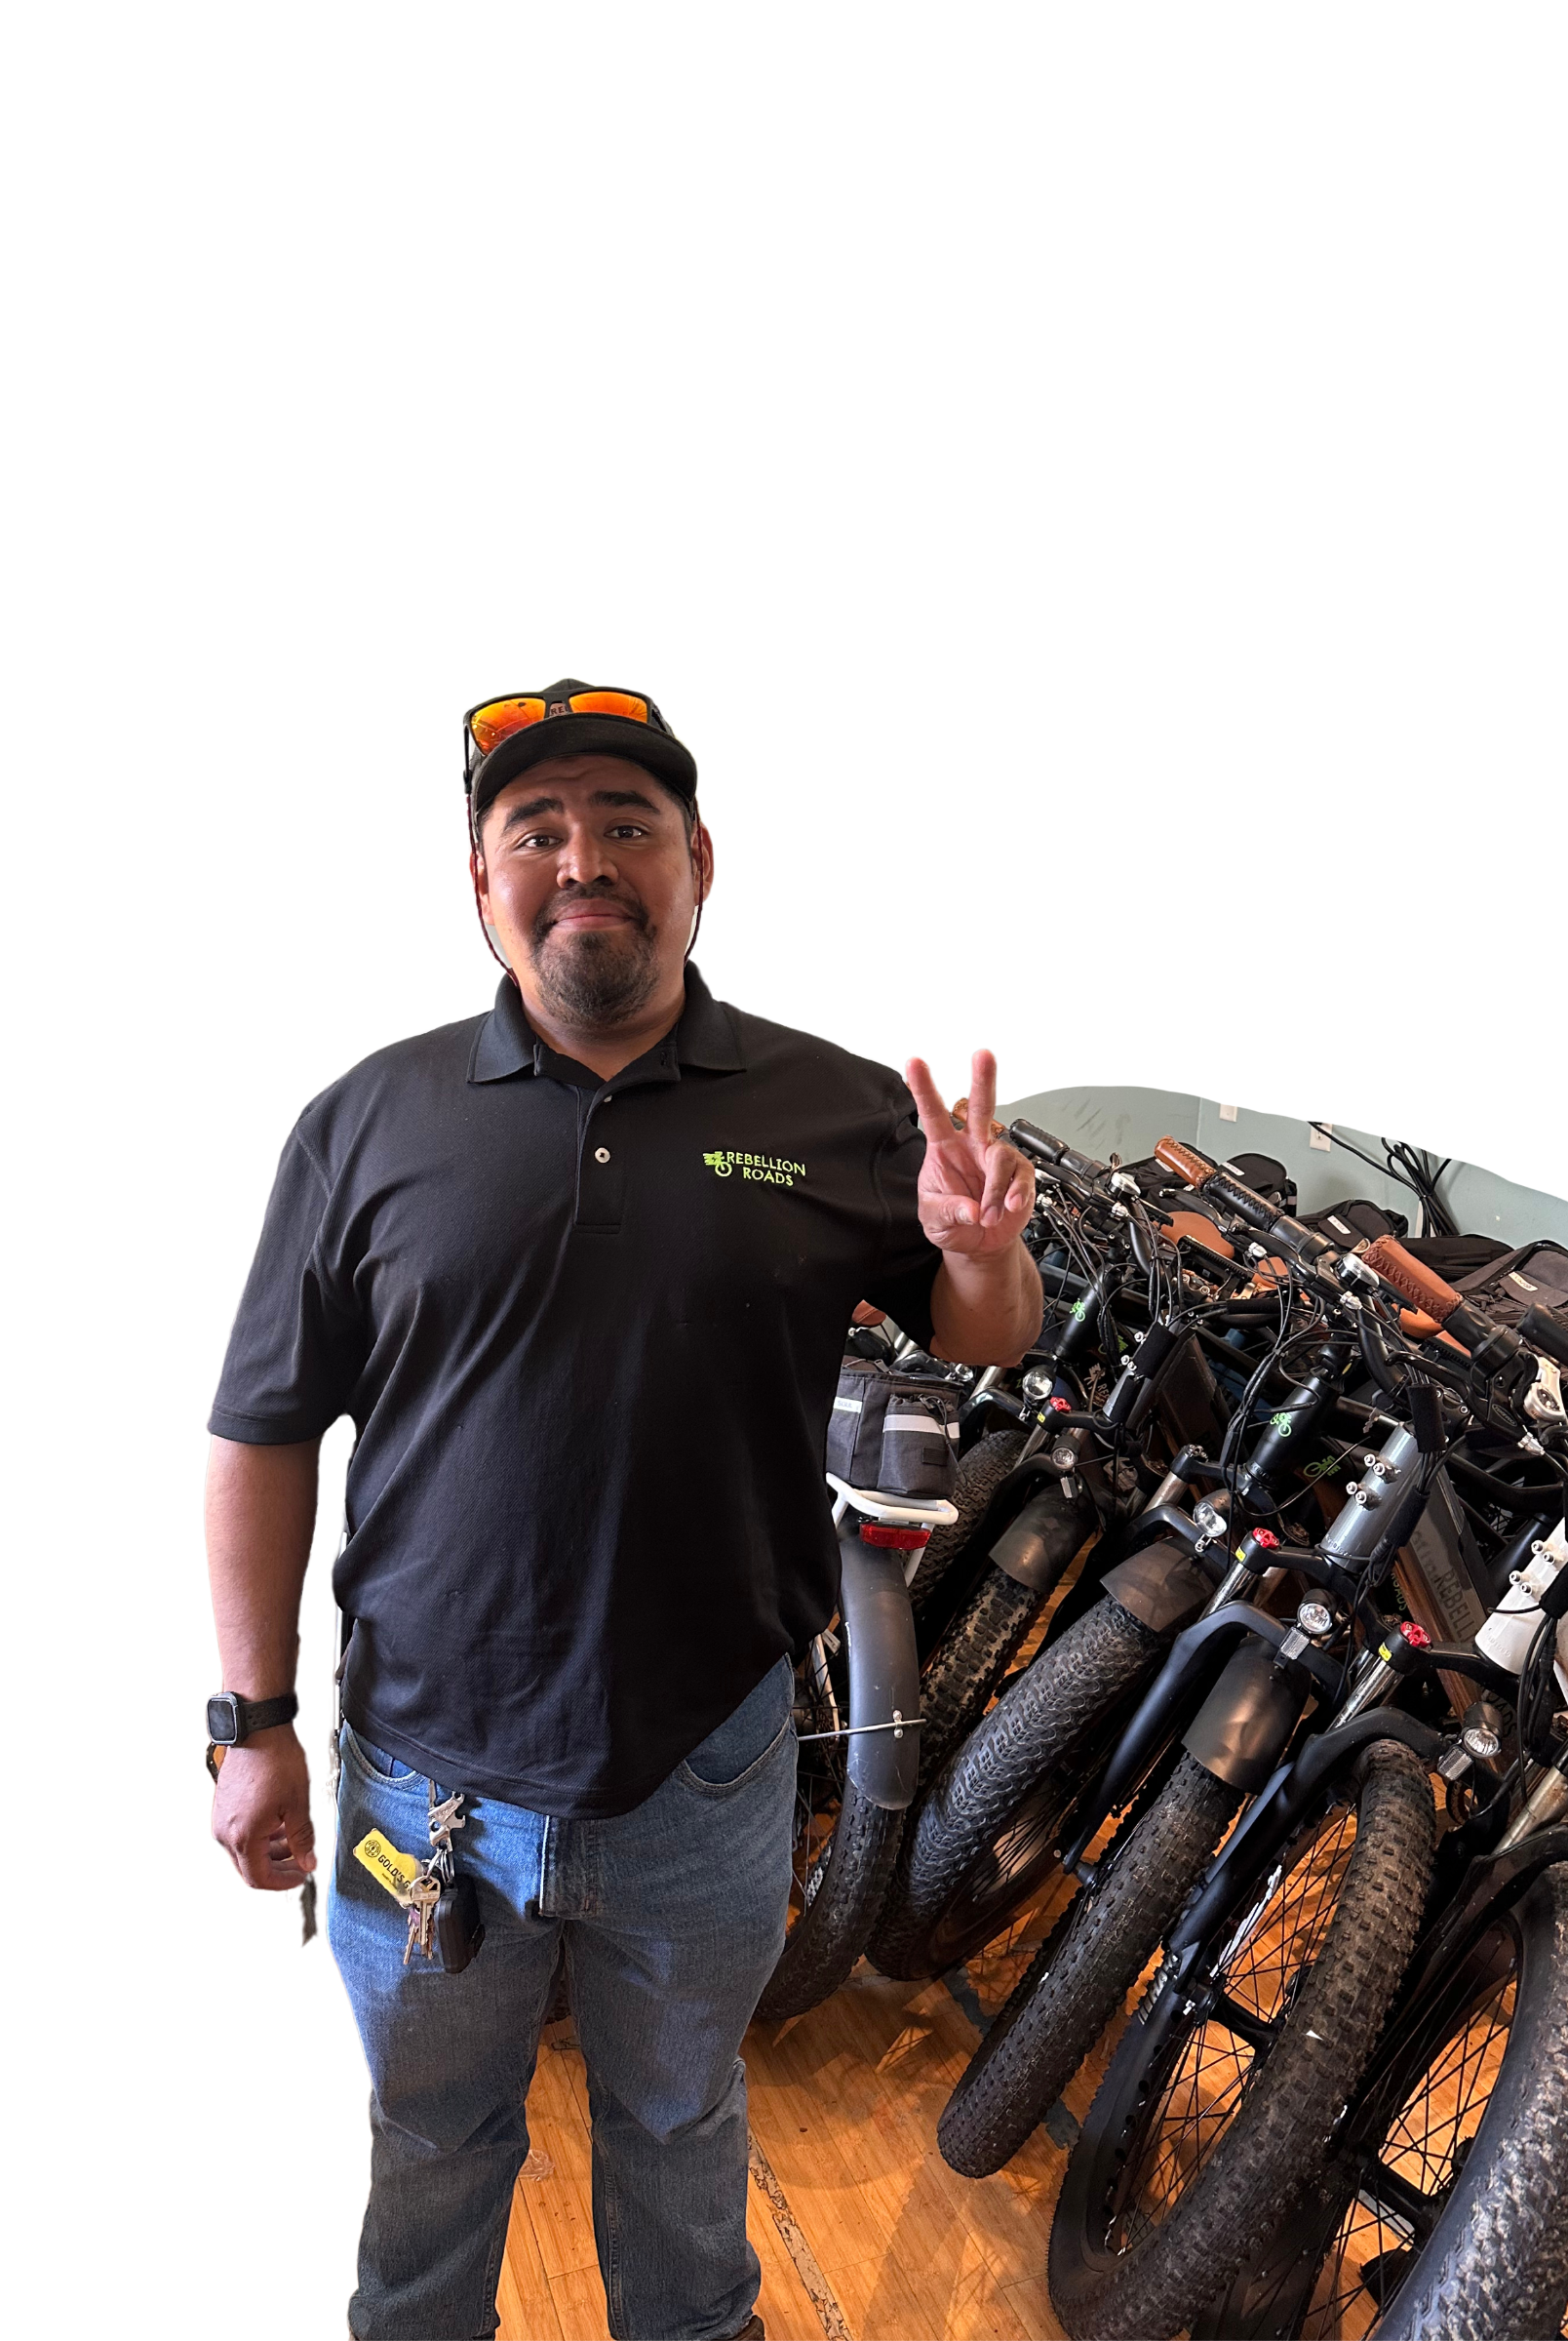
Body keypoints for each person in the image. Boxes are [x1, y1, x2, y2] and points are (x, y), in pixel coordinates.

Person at [202, 677, 1042, 2341]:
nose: (585, 857)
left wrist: (977, 1245)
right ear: (481, 879)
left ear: (701, 861)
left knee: (679, 2118)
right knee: (433, 2132)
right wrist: (252, 1721)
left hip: (705, 1767)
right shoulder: (364, 1118)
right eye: (541, 829)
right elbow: (260, 1430)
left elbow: (983, 1338)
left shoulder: (838, 1107)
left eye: (628, 824)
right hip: (420, 1775)